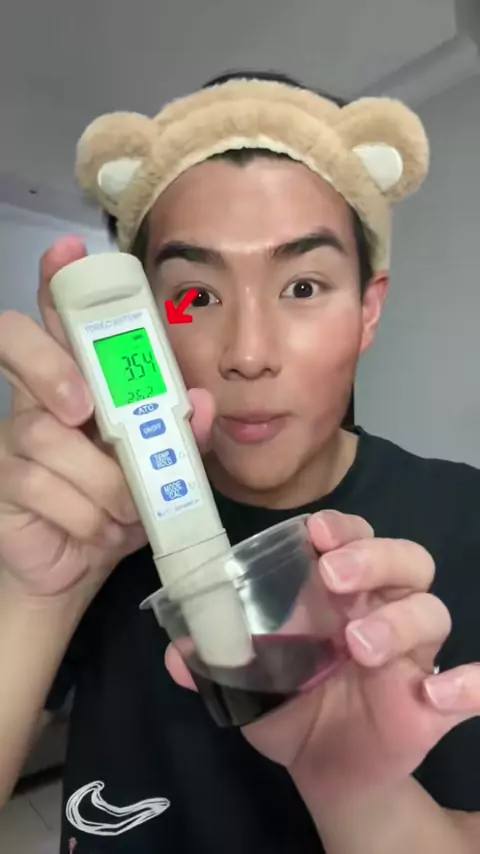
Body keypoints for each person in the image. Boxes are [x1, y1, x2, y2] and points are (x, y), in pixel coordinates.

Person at [0, 69, 479, 854]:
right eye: (195, 297)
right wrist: (31, 594)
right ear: (147, 321)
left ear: (368, 310)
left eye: (303, 286)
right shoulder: (84, 526)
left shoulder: (467, 521)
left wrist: (362, 796)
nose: (249, 354)